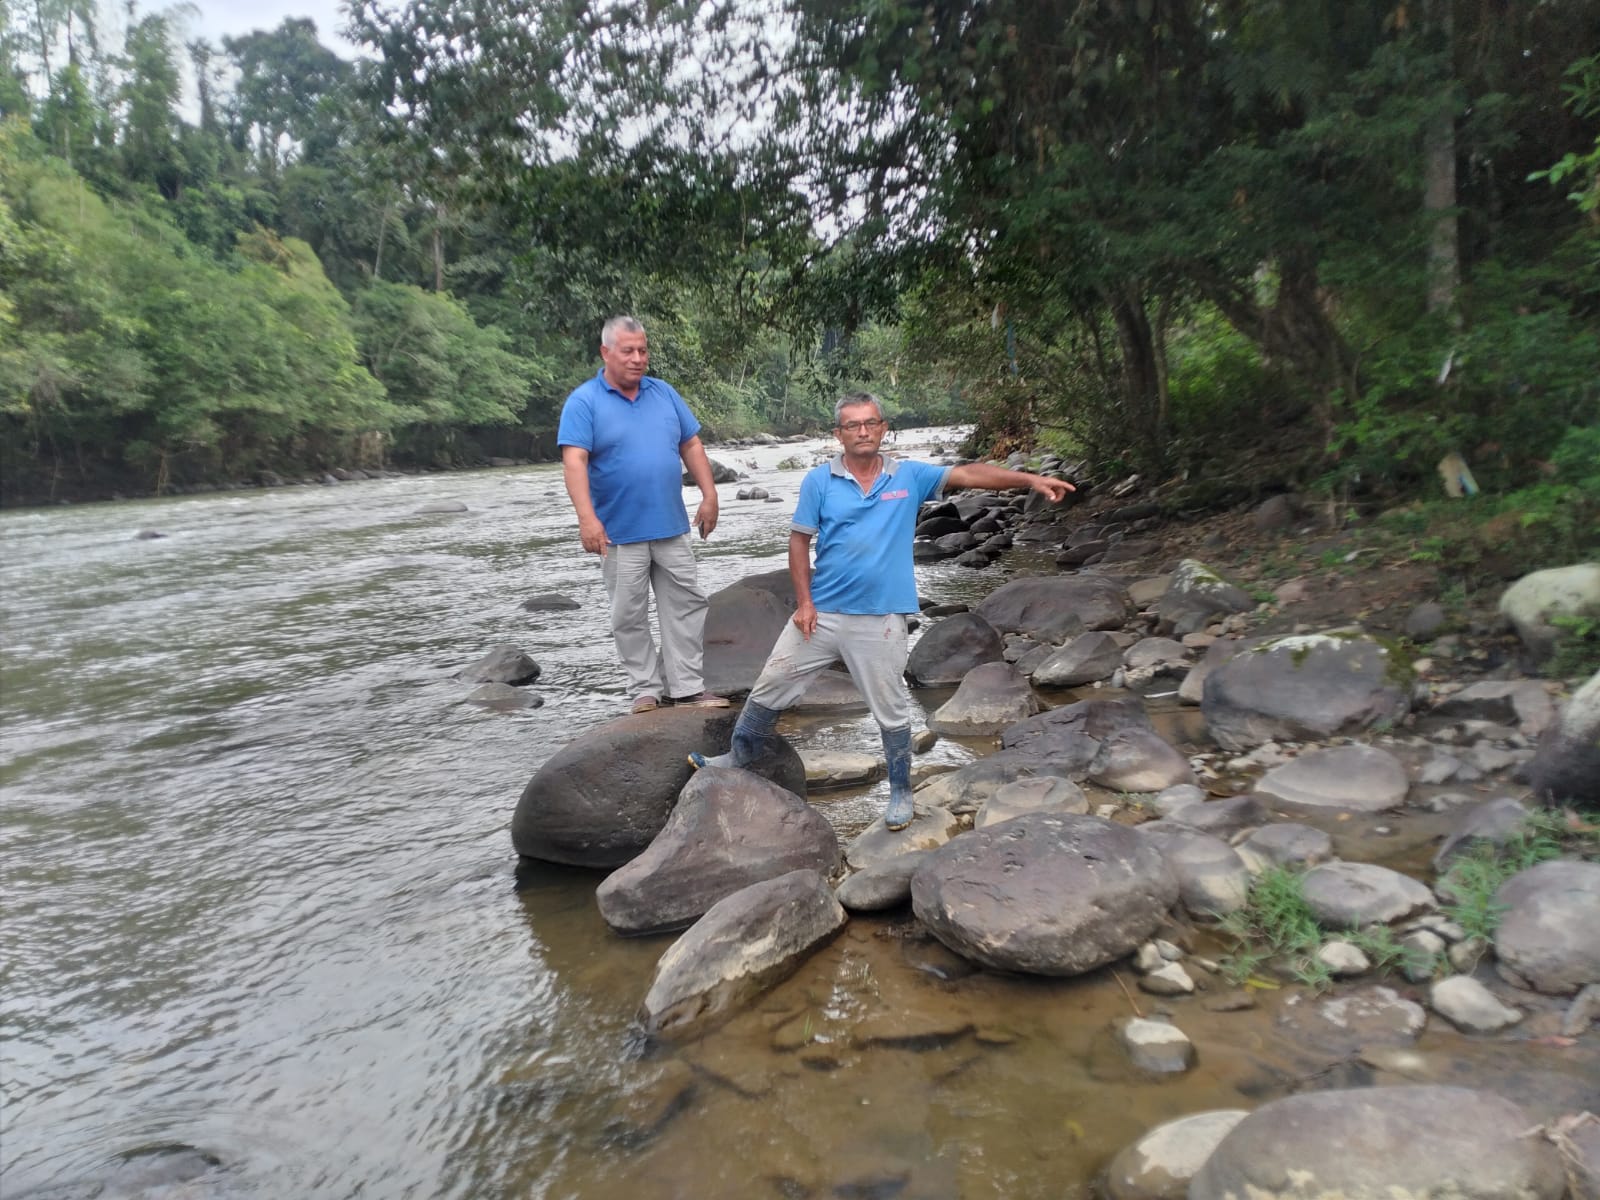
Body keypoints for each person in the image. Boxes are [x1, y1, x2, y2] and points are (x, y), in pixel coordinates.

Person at [689, 392, 1074, 830]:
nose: (863, 431)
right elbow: (799, 541)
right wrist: (805, 602)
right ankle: (739, 755)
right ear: (839, 434)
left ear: (883, 429)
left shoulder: (908, 476)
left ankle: (900, 790)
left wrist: (1029, 480)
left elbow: (968, 473)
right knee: (771, 683)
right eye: (853, 425)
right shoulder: (819, 481)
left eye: (871, 423)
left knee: (890, 708)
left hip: (882, 618)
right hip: (822, 615)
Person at [557, 316, 729, 714]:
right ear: (606, 353)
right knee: (628, 614)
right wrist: (586, 519)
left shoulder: (663, 393)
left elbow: (691, 445)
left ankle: (687, 688)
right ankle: (645, 690)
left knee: (686, 605)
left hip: (671, 525)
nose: (638, 358)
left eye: (643, 350)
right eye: (628, 351)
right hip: (618, 531)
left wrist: (710, 495)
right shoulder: (584, 402)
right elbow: (574, 461)